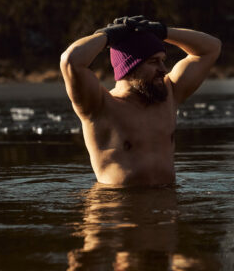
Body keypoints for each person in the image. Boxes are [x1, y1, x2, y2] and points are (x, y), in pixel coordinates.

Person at [60, 15, 221, 186]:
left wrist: (162, 31)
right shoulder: (99, 106)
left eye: (162, 61)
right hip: (116, 206)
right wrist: (107, 35)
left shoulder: (169, 94)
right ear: (130, 67)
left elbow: (211, 48)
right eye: (153, 62)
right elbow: (71, 61)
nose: (163, 69)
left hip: (165, 204)